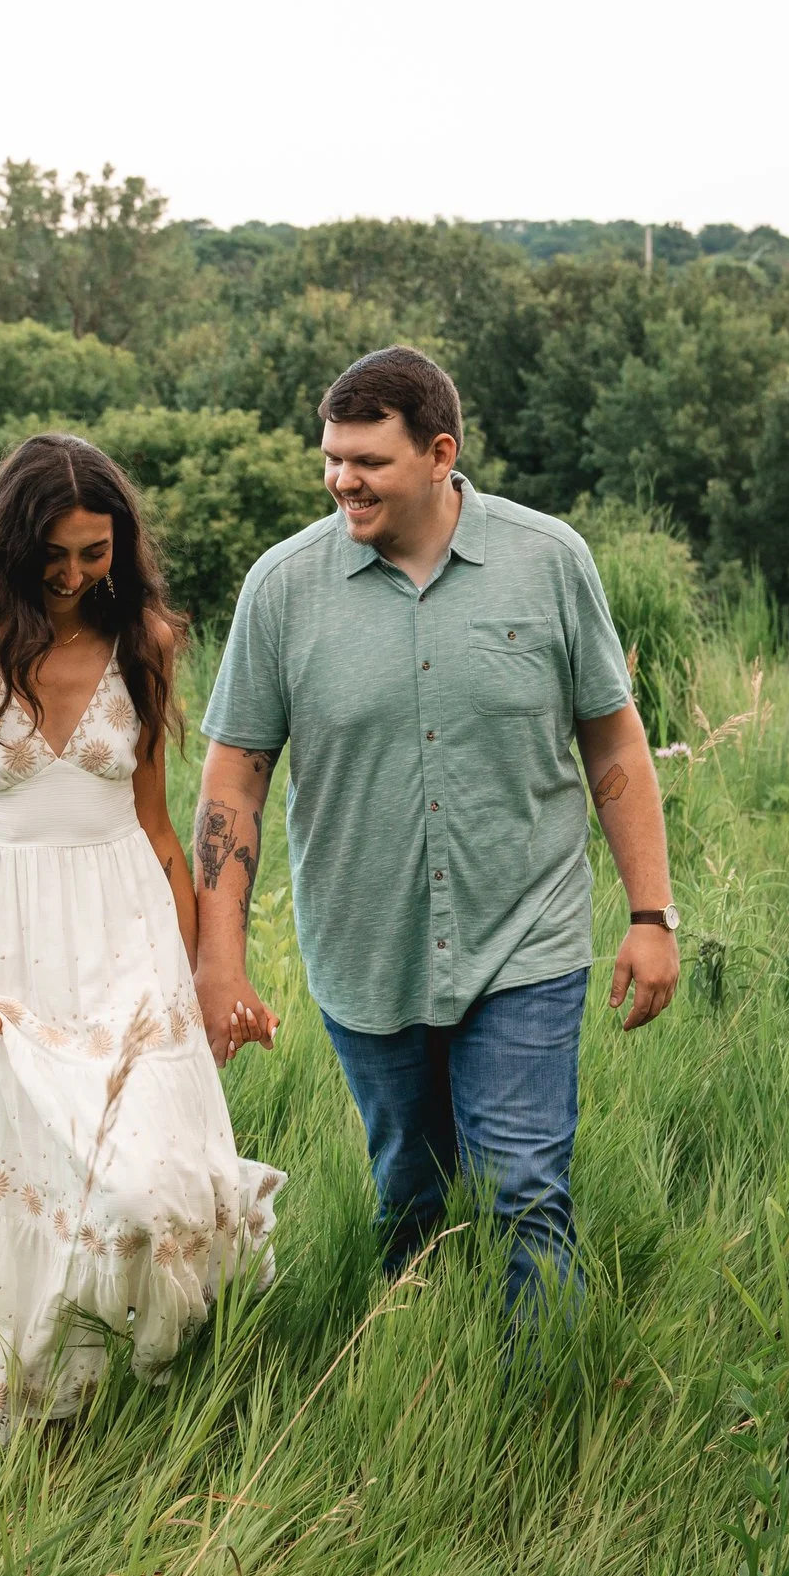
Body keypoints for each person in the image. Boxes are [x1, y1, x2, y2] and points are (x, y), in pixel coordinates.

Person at [192, 346, 679, 1321]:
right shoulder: (282, 588)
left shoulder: (547, 562)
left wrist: (651, 912)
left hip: (522, 936)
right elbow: (232, 782)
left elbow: (612, 738)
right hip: (366, 947)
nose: (341, 479)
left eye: (366, 460)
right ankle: (415, 1379)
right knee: (411, 1199)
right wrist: (218, 957)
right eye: (330, 457)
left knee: (524, 1191)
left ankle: (540, 1425)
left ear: (439, 453)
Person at [0, 433, 283, 1443]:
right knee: (54, 1183)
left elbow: (158, 825)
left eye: (93, 553)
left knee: (152, 1190)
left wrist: (206, 972)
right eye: (53, 553)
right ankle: (38, 1412)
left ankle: (141, 1378)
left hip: (130, 935)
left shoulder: (142, 639)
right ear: (10, 540)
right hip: (4, 946)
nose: (71, 575)